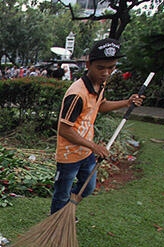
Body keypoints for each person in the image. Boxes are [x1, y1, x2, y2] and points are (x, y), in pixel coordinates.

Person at [50, 38, 145, 215]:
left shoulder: (100, 84)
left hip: (86, 152)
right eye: (101, 68)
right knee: (61, 193)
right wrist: (94, 146)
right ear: (88, 64)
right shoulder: (77, 94)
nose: (106, 73)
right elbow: (64, 130)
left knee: (88, 187)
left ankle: (67, 210)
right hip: (69, 155)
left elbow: (100, 106)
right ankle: (55, 220)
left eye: (111, 67)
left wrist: (127, 102)